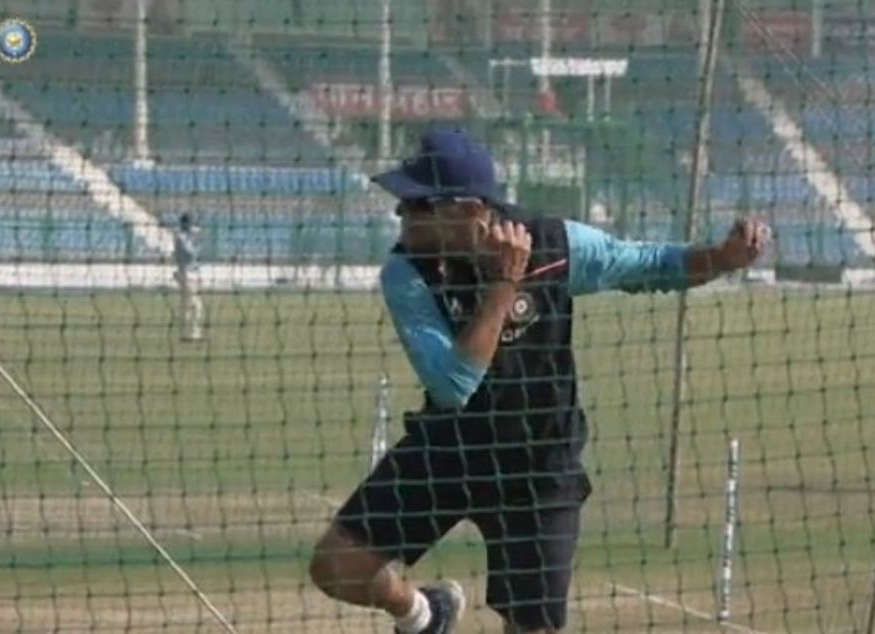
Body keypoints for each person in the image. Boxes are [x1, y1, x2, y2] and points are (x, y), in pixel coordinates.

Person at [309, 129, 771, 634]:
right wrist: (507, 283)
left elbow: (651, 265)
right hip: (449, 450)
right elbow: (454, 385)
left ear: (466, 210)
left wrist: (723, 258)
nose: (402, 216)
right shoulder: (406, 274)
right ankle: (424, 614)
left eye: (417, 205)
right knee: (337, 566)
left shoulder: (555, 243)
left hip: (539, 466)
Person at [174, 212, 204, 342]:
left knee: (187, 303)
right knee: (195, 304)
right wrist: (197, 240)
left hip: (193, 272)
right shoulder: (180, 237)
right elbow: (190, 253)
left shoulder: (187, 236)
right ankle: (193, 333)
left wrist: (197, 238)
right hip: (186, 272)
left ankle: (187, 332)